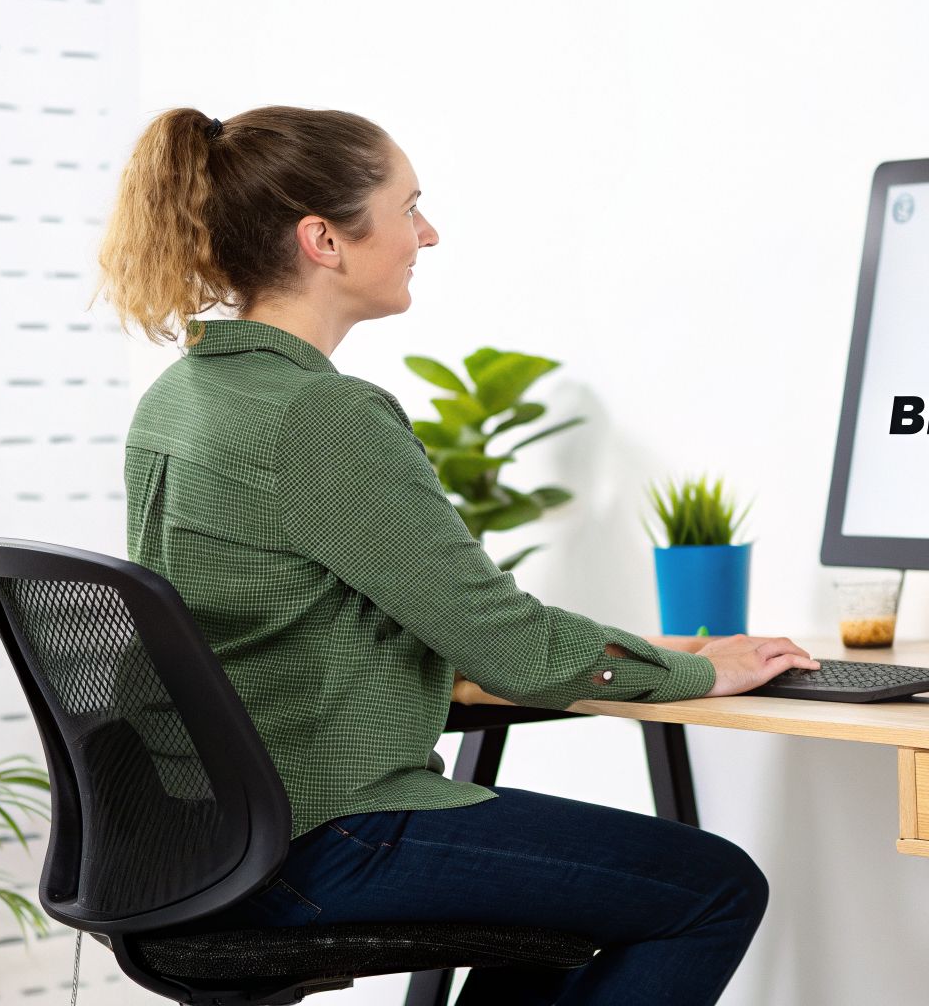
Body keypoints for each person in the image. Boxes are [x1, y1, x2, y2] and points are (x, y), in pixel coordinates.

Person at [95, 105, 819, 1005]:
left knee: (563, 920)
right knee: (711, 888)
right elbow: (509, 644)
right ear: (324, 238)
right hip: (319, 836)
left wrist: (668, 656)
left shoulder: (186, 393)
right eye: (408, 209)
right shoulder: (321, 415)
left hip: (205, 835)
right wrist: (700, 672)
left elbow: (295, 616)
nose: (426, 235)